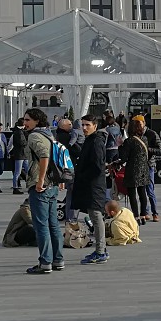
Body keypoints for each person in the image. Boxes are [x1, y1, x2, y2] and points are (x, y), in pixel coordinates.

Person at [22, 108, 65, 275]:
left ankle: (45, 262)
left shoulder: (34, 136)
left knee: (41, 225)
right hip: (53, 184)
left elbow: (45, 156)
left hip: (41, 185)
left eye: (27, 120)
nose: (24, 123)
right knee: (53, 223)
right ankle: (58, 259)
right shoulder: (49, 134)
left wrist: (39, 181)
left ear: (36, 121)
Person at [73, 115, 109, 264]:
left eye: (87, 125)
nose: (84, 128)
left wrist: (83, 176)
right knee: (94, 215)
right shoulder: (91, 140)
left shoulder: (96, 142)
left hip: (93, 185)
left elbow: (96, 166)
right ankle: (101, 249)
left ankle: (100, 251)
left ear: (95, 125)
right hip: (92, 184)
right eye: (82, 125)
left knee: (96, 216)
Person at [116, 118, 151, 224]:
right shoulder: (144, 139)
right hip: (144, 169)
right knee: (142, 193)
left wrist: (120, 146)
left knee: (132, 194)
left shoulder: (129, 141)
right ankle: (143, 215)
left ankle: (136, 216)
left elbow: (124, 157)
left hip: (132, 170)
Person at [138, 116, 161, 222]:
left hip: (149, 164)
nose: (138, 126)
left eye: (139, 124)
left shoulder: (152, 134)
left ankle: (155, 213)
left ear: (144, 123)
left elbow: (159, 149)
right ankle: (145, 212)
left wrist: (148, 150)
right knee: (141, 190)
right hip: (139, 165)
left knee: (150, 190)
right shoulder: (135, 134)